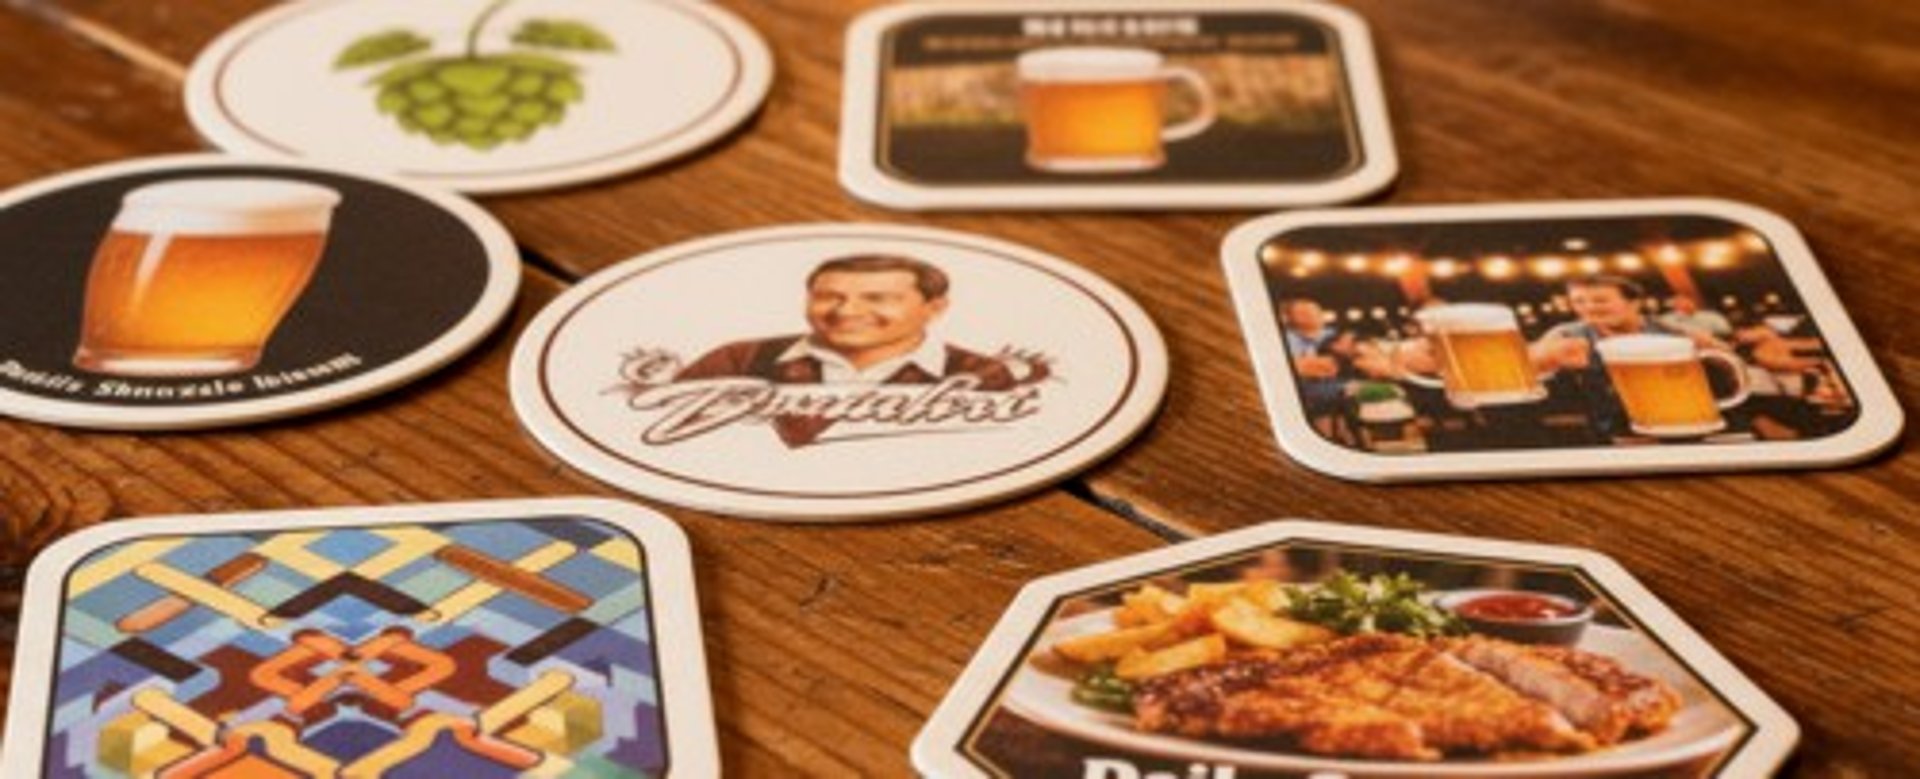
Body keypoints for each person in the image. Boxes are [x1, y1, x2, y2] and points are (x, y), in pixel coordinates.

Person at [676, 254, 1039, 445]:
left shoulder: (984, 375)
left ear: (936, 307)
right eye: (828, 297)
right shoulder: (738, 360)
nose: (847, 311)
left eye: (878, 298)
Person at [1530, 275, 1722, 440]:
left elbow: (1730, 367)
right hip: (1602, 432)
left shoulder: (1672, 334)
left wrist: (1716, 354)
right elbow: (1525, 371)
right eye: (1579, 302)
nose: (1589, 308)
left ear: (1634, 303)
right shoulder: (1565, 335)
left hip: (1670, 427)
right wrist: (1546, 360)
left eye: (1600, 300)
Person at [1280, 299, 1359, 438]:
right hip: (1308, 393)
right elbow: (1294, 369)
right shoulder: (1287, 338)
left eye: (1315, 311)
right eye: (1303, 313)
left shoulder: (1337, 335)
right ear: (1290, 318)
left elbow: (1357, 360)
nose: (1311, 315)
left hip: (1341, 389)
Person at [1658, 295, 1734, 338]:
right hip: (1681, 345)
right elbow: (1663, 331)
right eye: (1679, 303)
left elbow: (1726, 331)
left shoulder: (1712, 315)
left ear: (1694, 303)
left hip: (1710, 342)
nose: (1685, 304)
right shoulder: (1666, 318)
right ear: (1674, 306)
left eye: (1687, 302)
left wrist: (1709, 335)